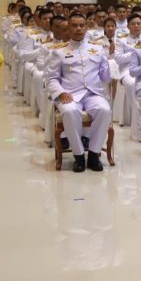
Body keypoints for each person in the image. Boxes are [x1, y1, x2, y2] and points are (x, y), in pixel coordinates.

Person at [46, 13, 113, 172]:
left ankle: (94, 154)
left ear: (86, 28)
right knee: (69, 112)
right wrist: (61, 93)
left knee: (104, 110)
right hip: (70, 95)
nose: (78, 29)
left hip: (92, 94)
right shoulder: (58, 51)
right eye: (74, 25)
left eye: (81, 25)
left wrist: (110, 60)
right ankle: (78, 155)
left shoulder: (97, 48)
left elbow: (105, 77)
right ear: (68, 28)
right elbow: (51, 78)